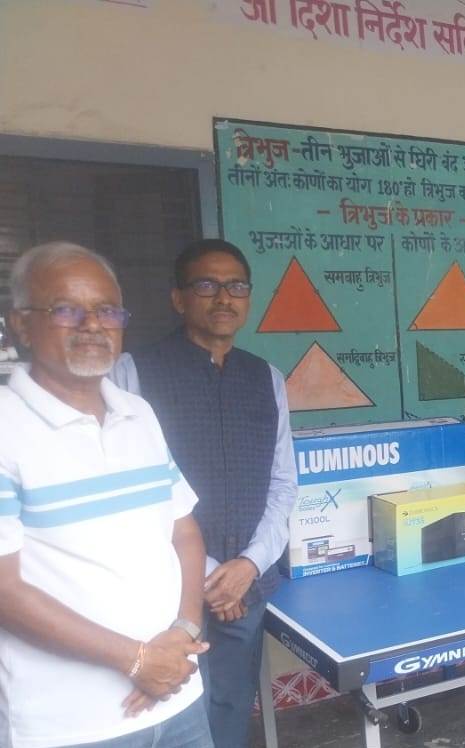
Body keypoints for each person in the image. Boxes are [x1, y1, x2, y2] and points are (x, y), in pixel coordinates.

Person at [0, 242, 212, 748]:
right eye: (66, 309)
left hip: (178, 699)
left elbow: (184, 534)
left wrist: (184, 631)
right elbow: (5, 589)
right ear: (22, 325)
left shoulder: (139, 414)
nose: (93, 324)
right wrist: (136, 660)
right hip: (72, 726)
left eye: (107, 310)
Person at [110, 239, 296, 748]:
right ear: (178, 298)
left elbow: (283, 484)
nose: (223, 298)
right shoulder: (131, 373)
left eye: (236, 286)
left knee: (232, 706)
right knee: (172, 710)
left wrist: (249, 565)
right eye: (207, 285)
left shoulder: (267, 378)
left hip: (248, 585)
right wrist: (214, 575)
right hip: (168, 585)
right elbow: (131, 488)